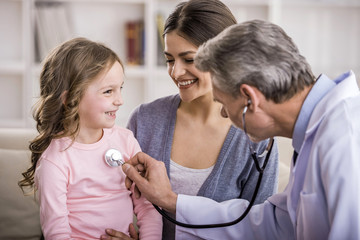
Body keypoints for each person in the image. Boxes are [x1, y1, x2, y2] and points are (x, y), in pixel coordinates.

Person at [119, 19, 360, 239]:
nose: (224, 113)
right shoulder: (315, 135)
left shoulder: (343, 138)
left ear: (249, 99)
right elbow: (275, 224)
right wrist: (171, 201)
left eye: (223, 103)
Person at [103, 1, 279, 239]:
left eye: (189, 59)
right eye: (169, 60)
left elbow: (261, 229)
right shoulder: (144, 120)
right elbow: (115, 201)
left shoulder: (257, 137)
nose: (175, 73)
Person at [18, 38, 162, 239]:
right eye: (108, 91)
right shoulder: (55, 160)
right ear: (70, 99)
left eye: (120, 88)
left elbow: (148, 207)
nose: (119, 100)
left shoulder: (126, 141)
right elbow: (57, 232)